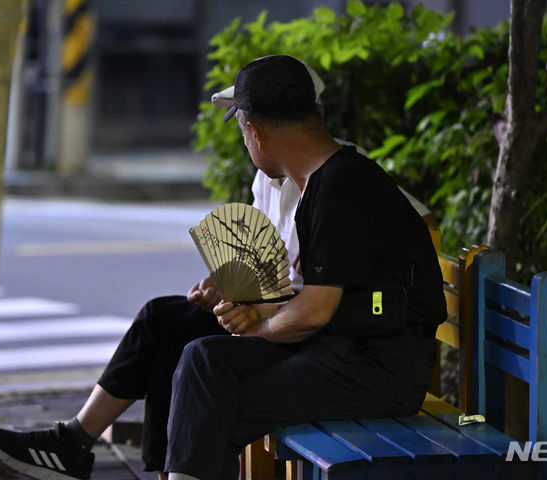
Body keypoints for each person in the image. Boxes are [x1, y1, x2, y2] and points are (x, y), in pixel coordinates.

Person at [0, 59, 329, 480]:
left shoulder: (330, 180)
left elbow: (319, 298)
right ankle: (79, 443)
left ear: (257, 130)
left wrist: (255, 310)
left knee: (195, 353)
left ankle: (152, 465)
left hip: (303, 334)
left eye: (244, 125)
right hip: (272, 314)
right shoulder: (272, 176)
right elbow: (261, 260)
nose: (244, 137)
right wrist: (226, 286)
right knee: (165, 318)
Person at [162, 55, 446, 480]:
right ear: (315, 113)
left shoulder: (342, 186)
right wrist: (261, 314)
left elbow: (315, 311)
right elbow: (331, 298)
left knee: (219, 405)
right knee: (204, 358)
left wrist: (257, 329)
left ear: (254, 131)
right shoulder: (328, 179)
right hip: (344, 350)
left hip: (378, 371)